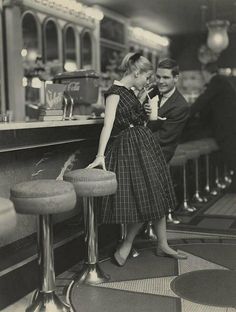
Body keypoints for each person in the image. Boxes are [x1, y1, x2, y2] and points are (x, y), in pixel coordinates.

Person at [87, 52, 187, 266]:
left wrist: (149, 111)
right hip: (131, 147)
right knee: (147, 195)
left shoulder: (131, 93)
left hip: (144, 143)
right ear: (136, 72)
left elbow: (143, 120)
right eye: (147, 76)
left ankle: (162, 244)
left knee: (157, 192)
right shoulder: (114, 92)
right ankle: (128, 244)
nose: (149, 81)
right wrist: (99, 155)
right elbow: (108, 125)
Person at [142, 58, 191, 232]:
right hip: (145, 146)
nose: (161, 81)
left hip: (161, 152)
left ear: (176, 78)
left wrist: (150, 121)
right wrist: (144, 113)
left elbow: (164, 138)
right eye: (158, 76)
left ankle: (142, 225)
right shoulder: (153, 91)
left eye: (166, 78)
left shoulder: (180, 106)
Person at [190, 62, 236, 193]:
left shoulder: (217, 81)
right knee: (230, 153)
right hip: (228, 124)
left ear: (206, 72)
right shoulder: (221, 81)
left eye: (202, 74)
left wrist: (185, 114)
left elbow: (202, 101)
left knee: (231, 154)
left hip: (227, 125)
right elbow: (207, 105)